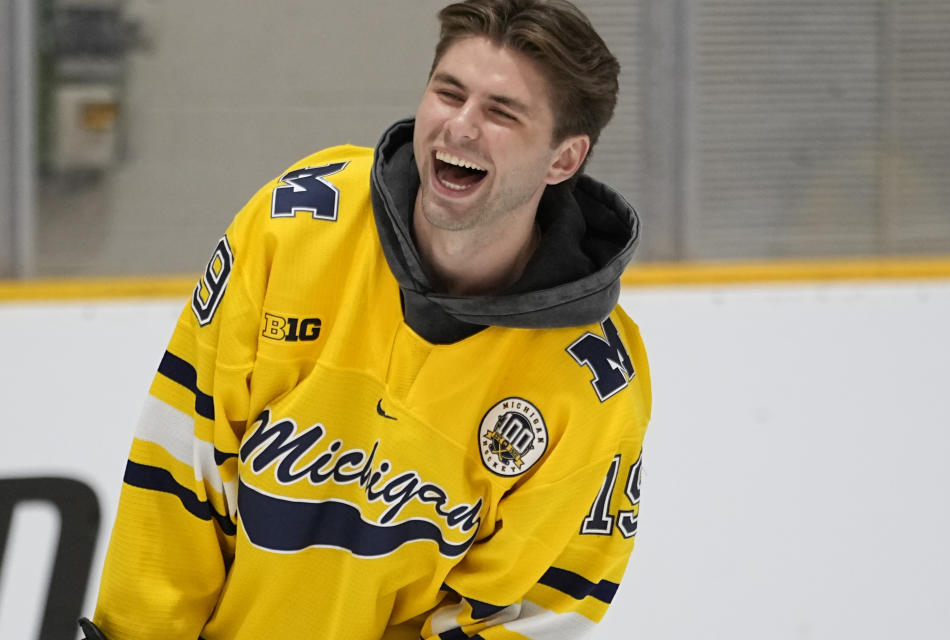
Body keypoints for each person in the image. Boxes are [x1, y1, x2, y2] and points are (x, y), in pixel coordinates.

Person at [83, 0, 651, 638]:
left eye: (501, 111)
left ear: (563, 160)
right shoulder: (296, 229)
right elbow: (176, 484)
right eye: (448, 93)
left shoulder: (593, 380)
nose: (460, 127)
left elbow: (541, 609)